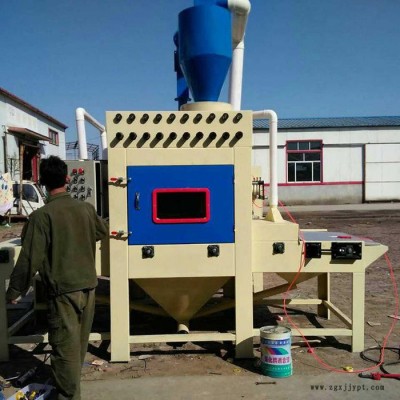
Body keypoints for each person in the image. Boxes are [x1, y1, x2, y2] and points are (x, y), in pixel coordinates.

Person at [6, 156, 108, 400]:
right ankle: (71, 389)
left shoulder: (41, 216)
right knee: (78, 346)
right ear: (68, 178)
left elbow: (29, 258)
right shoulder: (86, 209)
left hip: (63, 292)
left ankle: (68, 396)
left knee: (64, 350)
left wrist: (14, 291)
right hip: (89, 287)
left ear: (42, 183)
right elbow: (101, 231)